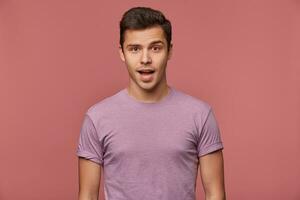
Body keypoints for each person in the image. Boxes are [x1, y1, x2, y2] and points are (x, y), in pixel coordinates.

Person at [76, 6, 226, 200]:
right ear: (122, 53)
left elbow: (216, 194)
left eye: (155, 48)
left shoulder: (200, 115)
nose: (145, 59)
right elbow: (87, 195)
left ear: (169, 51)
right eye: (135, 49)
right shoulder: (96, 118)